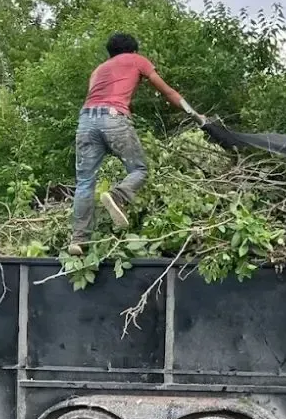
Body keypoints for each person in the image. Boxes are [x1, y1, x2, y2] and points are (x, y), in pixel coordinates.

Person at [68, 32, 193, 256]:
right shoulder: (137, 60)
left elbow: (97, 96)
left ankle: (78, 239)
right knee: (139, 169)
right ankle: (118, 195)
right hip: (113, 116)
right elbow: (167, 91)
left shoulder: (98, 71)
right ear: (133, 50)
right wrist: (194, 113)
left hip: (86, 120)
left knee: (85, 182)